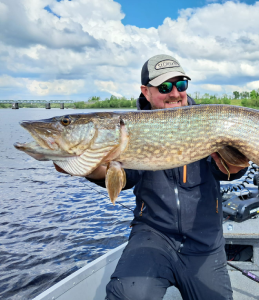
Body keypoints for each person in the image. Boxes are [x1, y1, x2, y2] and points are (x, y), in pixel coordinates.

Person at [56, 54, 248, 300]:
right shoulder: (129, 130)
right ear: (145, 91)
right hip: (153, 237)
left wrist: (235, 165)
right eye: (165, 87)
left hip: (205, 241)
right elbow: (124, 178)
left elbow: (227, 172)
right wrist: (86, 167)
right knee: (127, 295)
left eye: (181, 85)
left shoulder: (208, 122)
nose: (175, 93)